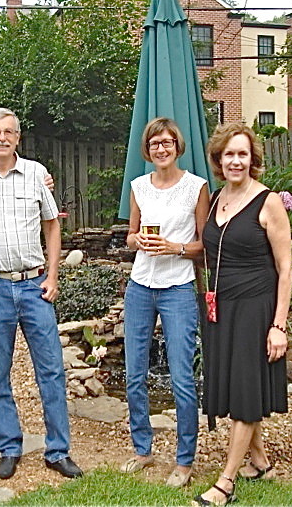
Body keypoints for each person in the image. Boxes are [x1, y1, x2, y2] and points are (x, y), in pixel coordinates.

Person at [0, 107, 83, 481]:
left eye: (9, 132)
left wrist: (53, 275)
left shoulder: (35, 174)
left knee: (50, 370)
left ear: (18, 137)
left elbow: (52, 226)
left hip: (34, 286)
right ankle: (9, 445)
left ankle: (58, 451)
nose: (2, 137)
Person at [193, 123, 292, 506]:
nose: (236, 161)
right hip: (222, 308)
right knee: (237, 387)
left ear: (253, 160)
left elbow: (286, 268)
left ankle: (226, 483)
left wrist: (278, 326)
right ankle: (261, 463)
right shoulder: (217, 198)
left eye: (243, 154)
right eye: (229, 154)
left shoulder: (267, 202)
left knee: (247, 390)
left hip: (255, 308)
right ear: (219, 160)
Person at [121, 117, 210, 487]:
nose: (161, 148)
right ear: (148, 149)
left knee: (182, 377)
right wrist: (137, 241)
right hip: (140, 286)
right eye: (155, 143)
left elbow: (205, 245)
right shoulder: (139, 186)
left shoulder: (196, 187)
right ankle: (143, 449)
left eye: (167, 142)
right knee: (134, 374)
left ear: (177, 146)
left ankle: (185, 460)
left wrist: (176, 247)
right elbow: (129, 235)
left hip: (177, 288)